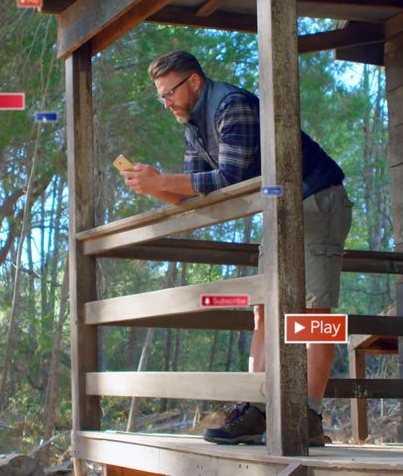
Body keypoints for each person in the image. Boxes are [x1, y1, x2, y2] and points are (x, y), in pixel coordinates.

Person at [121, 51, 353, 446]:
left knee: (315, 311)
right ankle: (256, 409)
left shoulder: (232, 106)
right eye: (160, 97)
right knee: (263, 310)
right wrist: (156, 186)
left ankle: (310, 415)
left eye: (169, 92)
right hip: (279, 212)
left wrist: (164, 180)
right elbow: (200, 193)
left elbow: (226, 177)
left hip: (316, 201)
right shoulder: (192, 125)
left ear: (194, 82)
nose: (166, 103)